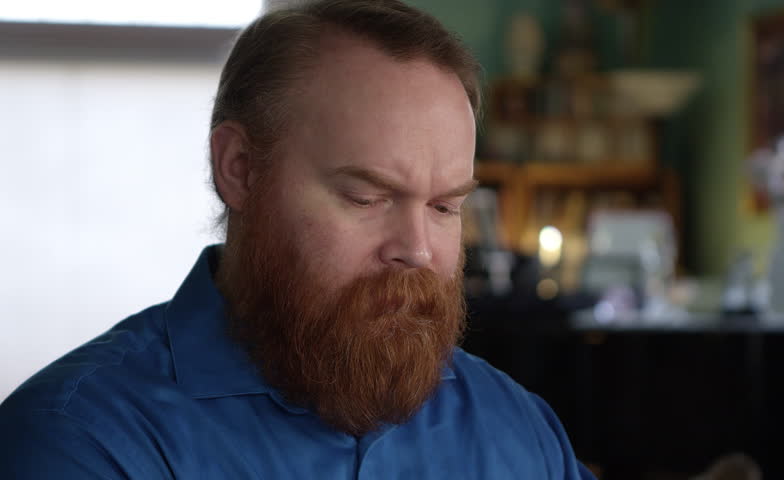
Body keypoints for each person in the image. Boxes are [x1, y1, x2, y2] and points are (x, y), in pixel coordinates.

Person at [0, 1, 595, 478]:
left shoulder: (517, 429)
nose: (416, 249)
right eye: (367, 197)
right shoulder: (79, 441)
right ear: (240, 168)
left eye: (446, 206)